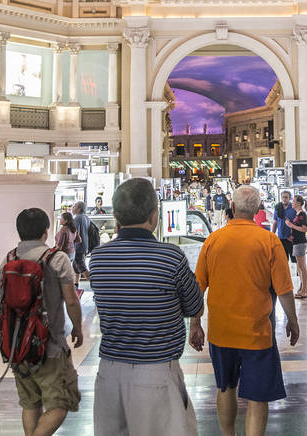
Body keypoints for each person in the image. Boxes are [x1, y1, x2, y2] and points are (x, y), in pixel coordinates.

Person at [90, 179, 204, 435]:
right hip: (156, 373)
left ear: (116, 217)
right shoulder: (170, 257)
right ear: (154, 217)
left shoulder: (98, 258)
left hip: (109, 373)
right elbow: (195, 306)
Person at [195, 185, 300, 436]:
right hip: (257, 333)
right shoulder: (269, 241)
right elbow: (284, 289)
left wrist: (195, 324)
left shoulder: (213, 240)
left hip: (221, 333)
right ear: (257, 211)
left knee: (225, 388)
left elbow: (197, 288)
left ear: (231, 208)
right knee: (257, 396)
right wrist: (292, 321)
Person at [0, 208, 83, 436]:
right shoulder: (57, 258)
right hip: (50, 345)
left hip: (17, 346)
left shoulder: (9, 258)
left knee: (30, 403)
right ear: (46, 231)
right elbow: (71, 300)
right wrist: (77, 327)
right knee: (61, 403)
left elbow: (1, 291)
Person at [288, 195, 307, 298]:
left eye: (293, 201)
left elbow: (304, 229)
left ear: (298, 203)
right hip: (296, 242)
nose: (292, 203)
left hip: (300, 242)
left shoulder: (302, 214)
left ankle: (305, 289)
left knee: (302, 266)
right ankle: (302, 288)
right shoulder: (298, 213)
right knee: (299, 267)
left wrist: (291, 225)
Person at [70, 201, 91, 285]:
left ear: (79, 209)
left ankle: (95, 284)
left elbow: (74, 232)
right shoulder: (86, 217)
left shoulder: (77, 218)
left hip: (78, 247)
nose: (73, 208)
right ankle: (76, 284)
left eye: (74, 206)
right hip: (85, 246)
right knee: (76, 266)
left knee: (82, 267)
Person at [271, 190, 293, 261]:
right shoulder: (278, 208)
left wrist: (293, 235)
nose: (284, 199)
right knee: (283, 260)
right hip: (281, 239)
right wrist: (272, 235)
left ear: (289, 198)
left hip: (291, 239)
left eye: (286, 197)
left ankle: (297, 272)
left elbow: (297, 223)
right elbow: (275, 222)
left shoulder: (293, 209)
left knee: (295, 260)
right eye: (283, 197)